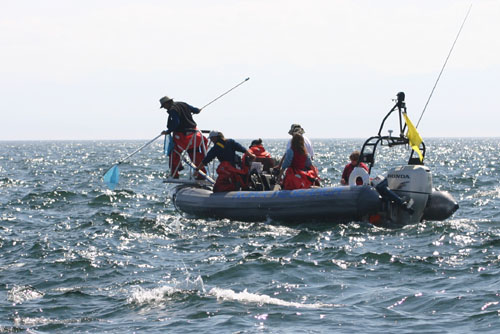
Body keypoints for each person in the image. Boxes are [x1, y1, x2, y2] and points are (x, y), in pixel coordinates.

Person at [159, 96, 208, 178]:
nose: (164, 108)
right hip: (195, 135)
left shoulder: (173, 110)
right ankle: (201, 175)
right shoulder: (183, 104)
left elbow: (176, 123)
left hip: (183, 137)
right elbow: (195, 110)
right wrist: (198, 110)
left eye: (164, 106)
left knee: (174, 153)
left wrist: (168, 131)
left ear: (167, 103)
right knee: (194, 154)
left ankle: (175, 174)